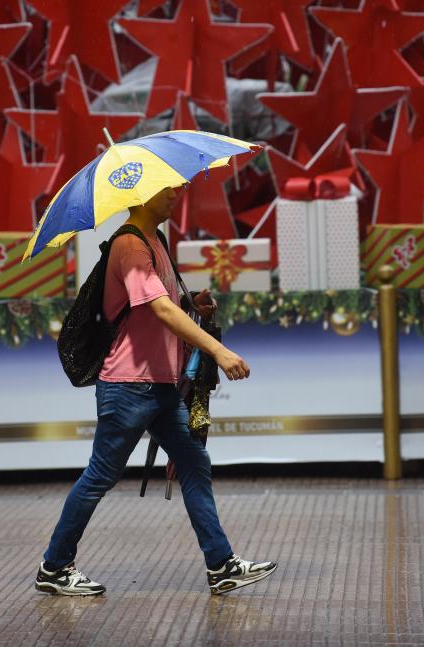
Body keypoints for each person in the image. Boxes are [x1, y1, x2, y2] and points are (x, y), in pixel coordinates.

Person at [34, 185, 277, 596]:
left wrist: (191, 306)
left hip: (160, 386)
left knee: (194, 465)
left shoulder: (155, 241)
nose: (177, 195)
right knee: (100, 476)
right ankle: (55, 567)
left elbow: (163, 306)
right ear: (144, 195)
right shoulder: (130, 244)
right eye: (167, 190)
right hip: (129, 386)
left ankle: (220, 565)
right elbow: (157, 308)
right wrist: (218, 351)